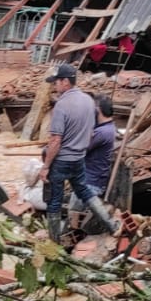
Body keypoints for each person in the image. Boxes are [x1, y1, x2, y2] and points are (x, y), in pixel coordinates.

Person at [40, 64, 119, 242]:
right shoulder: (89, 102)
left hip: (62, 160)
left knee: (54, 200)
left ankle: (54, 242)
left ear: (65, 82)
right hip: (79, 159)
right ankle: (111, 224)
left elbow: (55, 140)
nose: (55, 86)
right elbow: (91, 130)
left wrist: (45, 166)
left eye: (57, 82)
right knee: (84, 191)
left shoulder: (61, 105)